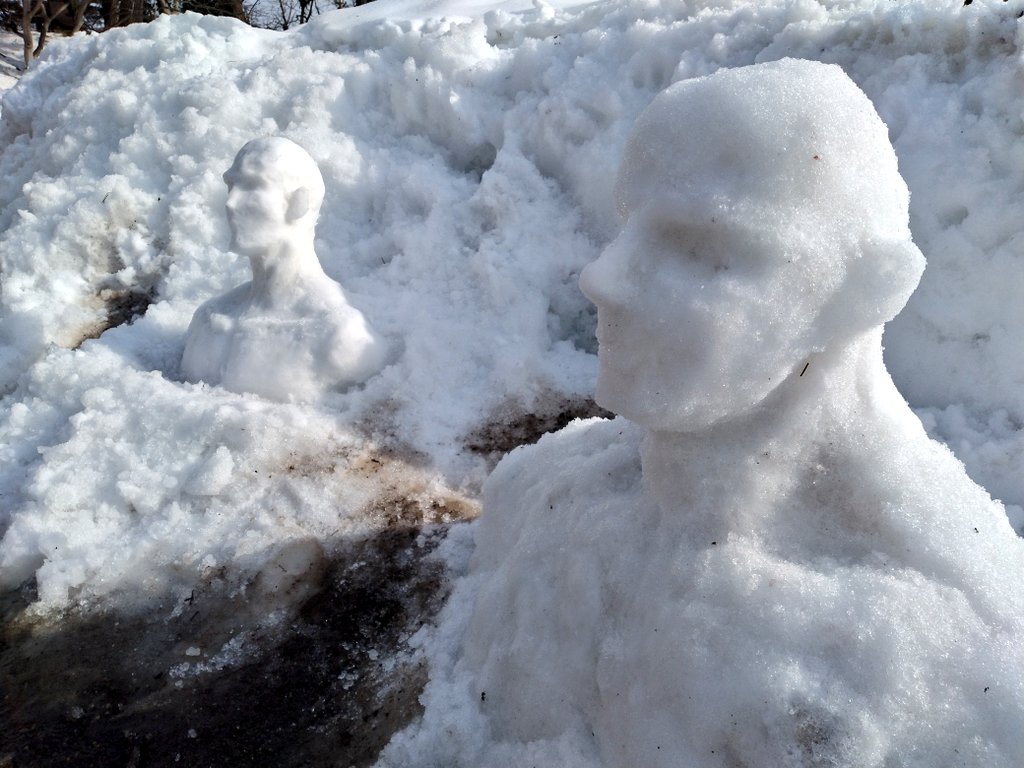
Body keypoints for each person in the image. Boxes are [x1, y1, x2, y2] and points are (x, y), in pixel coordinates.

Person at [426, 59, 1024, 768]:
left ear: (864, 293)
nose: (604, 279)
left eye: (701, 252)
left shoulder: (942, 655)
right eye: (627, 224)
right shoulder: (556, 492)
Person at [181, 137, 386, 401]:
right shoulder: (208, 319)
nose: (231, 203)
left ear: (299, 202)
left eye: (252, 187)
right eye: (231, 185)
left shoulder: (340, 338)